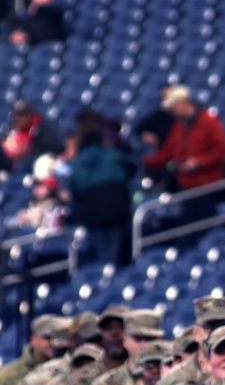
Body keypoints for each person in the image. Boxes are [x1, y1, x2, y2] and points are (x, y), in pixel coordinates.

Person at [68, 125, 137, 266]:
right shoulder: (111, 154)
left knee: (102, 251)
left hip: (92, 213)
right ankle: (114, 275)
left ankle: (107, 274)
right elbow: (133, 165)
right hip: (116, 209)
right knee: (116, 249)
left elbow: (72, 188)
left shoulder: (77, 162)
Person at [142, 86, 225, 192]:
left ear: (182, 104)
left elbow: (220, 150)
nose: (172, 113)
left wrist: (198, 162)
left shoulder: (210, 122)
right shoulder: (179, 126)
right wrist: (146, 161)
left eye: (173, 108)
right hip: (186, 183)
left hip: (207, 184)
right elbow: (169, 151)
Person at [0, 100, 62, 173]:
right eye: (16, 115)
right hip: (10, 166)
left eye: (22, 114)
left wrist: (27, 150)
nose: (17, 118)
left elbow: (51, 150)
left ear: (30, 115)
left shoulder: (44, 128)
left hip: (34, 166)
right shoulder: (10, 128)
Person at [135, 84, 176, 150]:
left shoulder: (185, 117)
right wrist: (148, 136)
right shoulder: (159, 116)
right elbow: (140, 130)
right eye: (165, 97)